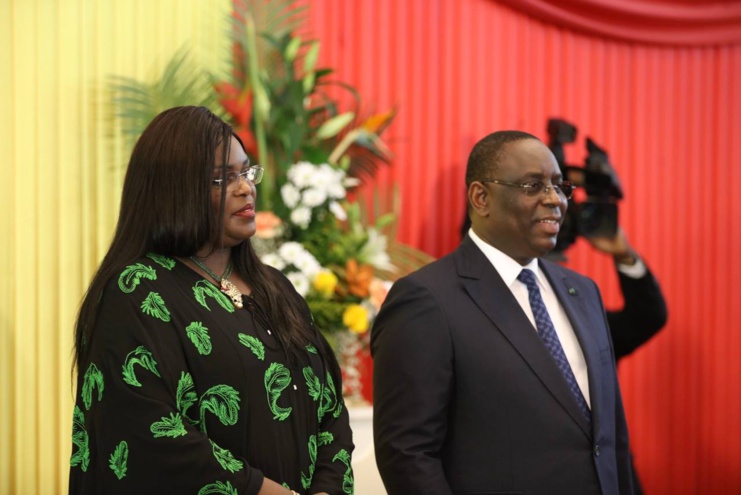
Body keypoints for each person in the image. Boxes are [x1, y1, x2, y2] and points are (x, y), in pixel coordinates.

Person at [69, 106, 353, 495]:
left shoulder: (275, 287)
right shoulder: (137, 291)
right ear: (173, 190)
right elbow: (151, 433)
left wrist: (327, 489)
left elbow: (330, 409)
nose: (245, 188)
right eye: (222, 178)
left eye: (247, 172)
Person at [372, 130, 633, 494]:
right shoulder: (426, 299)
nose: (554, 199)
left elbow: (610, 437)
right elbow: (407, 453)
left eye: (559, 186)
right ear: (481, 197)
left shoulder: (583, 292)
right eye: (533, 186)